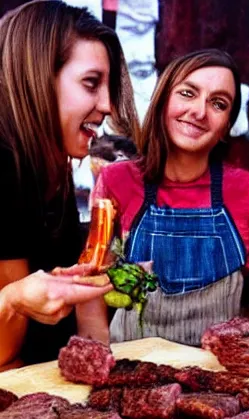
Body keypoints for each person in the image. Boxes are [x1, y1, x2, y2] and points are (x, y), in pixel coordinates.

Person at [90, 49, 249, 368]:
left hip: (220, 379)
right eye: (188, 93)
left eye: (218, 103)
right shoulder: (114, 182)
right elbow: (90, 287)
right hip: (132, 373)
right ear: (163, 100)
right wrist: (97, 363)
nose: (199, 112)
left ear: (227, 124)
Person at [0, 0, 139, 368]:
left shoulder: (51, 168)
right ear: (38, 76)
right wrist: (14, 299)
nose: (109, 105)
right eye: (91, 83)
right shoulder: (6, 166)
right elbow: (4, 353)